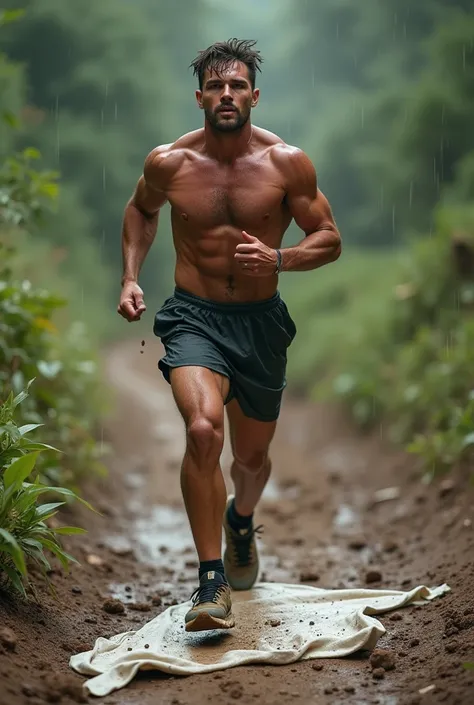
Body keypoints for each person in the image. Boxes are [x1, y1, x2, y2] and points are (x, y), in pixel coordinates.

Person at [118, 39, 341, 633]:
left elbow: (329, 237)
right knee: (200, 430)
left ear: (253, 95)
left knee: (251, 458)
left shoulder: (286, 163)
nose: (226, 95)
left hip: (260, 323)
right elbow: (141, 211)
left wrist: (280, 259)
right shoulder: (169, 163)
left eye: (236, 86)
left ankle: (241, 519)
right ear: (199, 97)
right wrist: (131, 277)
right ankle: (210, 582)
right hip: (194, 316)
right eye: (215, 87)